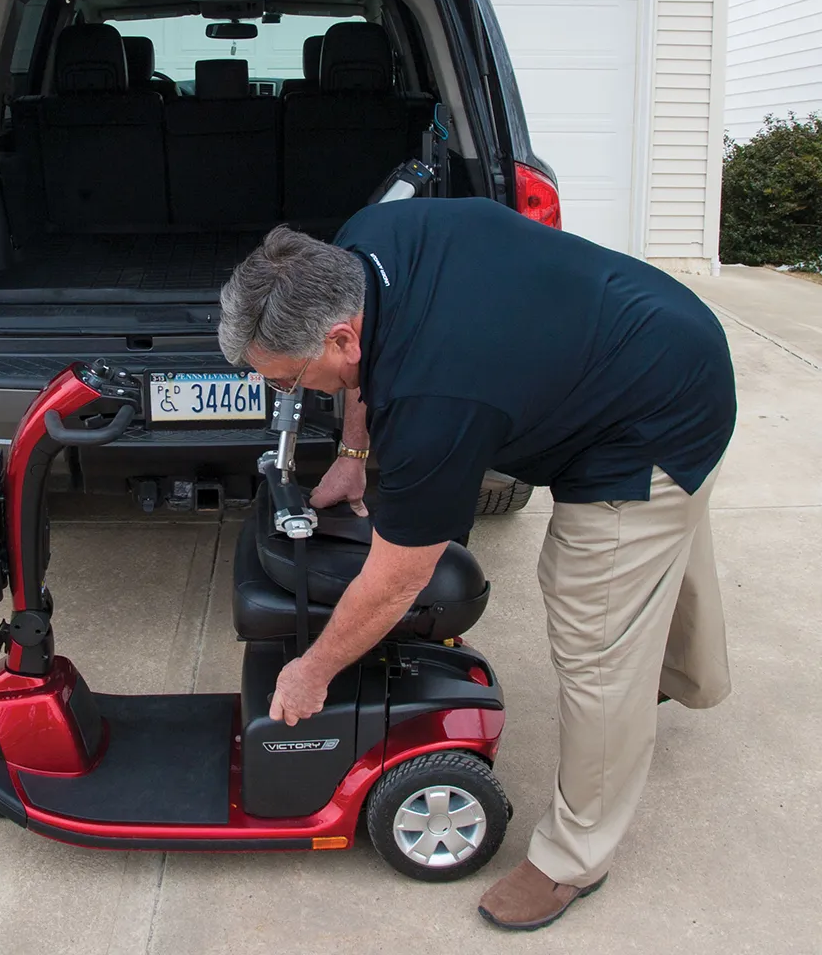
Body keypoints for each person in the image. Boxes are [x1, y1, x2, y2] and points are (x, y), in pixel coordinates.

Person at [217, 199, 735, 931]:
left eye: (289, 379)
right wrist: (355, 453)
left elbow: (400, 577)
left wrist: (313, 671)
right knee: (660, 541)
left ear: (340, 337)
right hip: (645, 331)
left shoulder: (436, 399)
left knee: (597, 625)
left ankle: (573, 861)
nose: (288, 393)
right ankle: (691, 676)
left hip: (652, 412)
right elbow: (367, 371)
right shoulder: (364, 245)